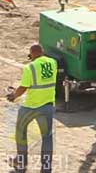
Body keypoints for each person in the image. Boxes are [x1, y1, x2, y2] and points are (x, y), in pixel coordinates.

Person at [6, 44, 57, 173]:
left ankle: (21, 165)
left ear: (32, 54)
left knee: (20, 133)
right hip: (47, 106)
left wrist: (13, 96)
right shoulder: (53, 63)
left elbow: (23, 87)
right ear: (42, 51)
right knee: (47, 137)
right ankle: (46, 169)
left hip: (30, 106)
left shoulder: (29, 67)